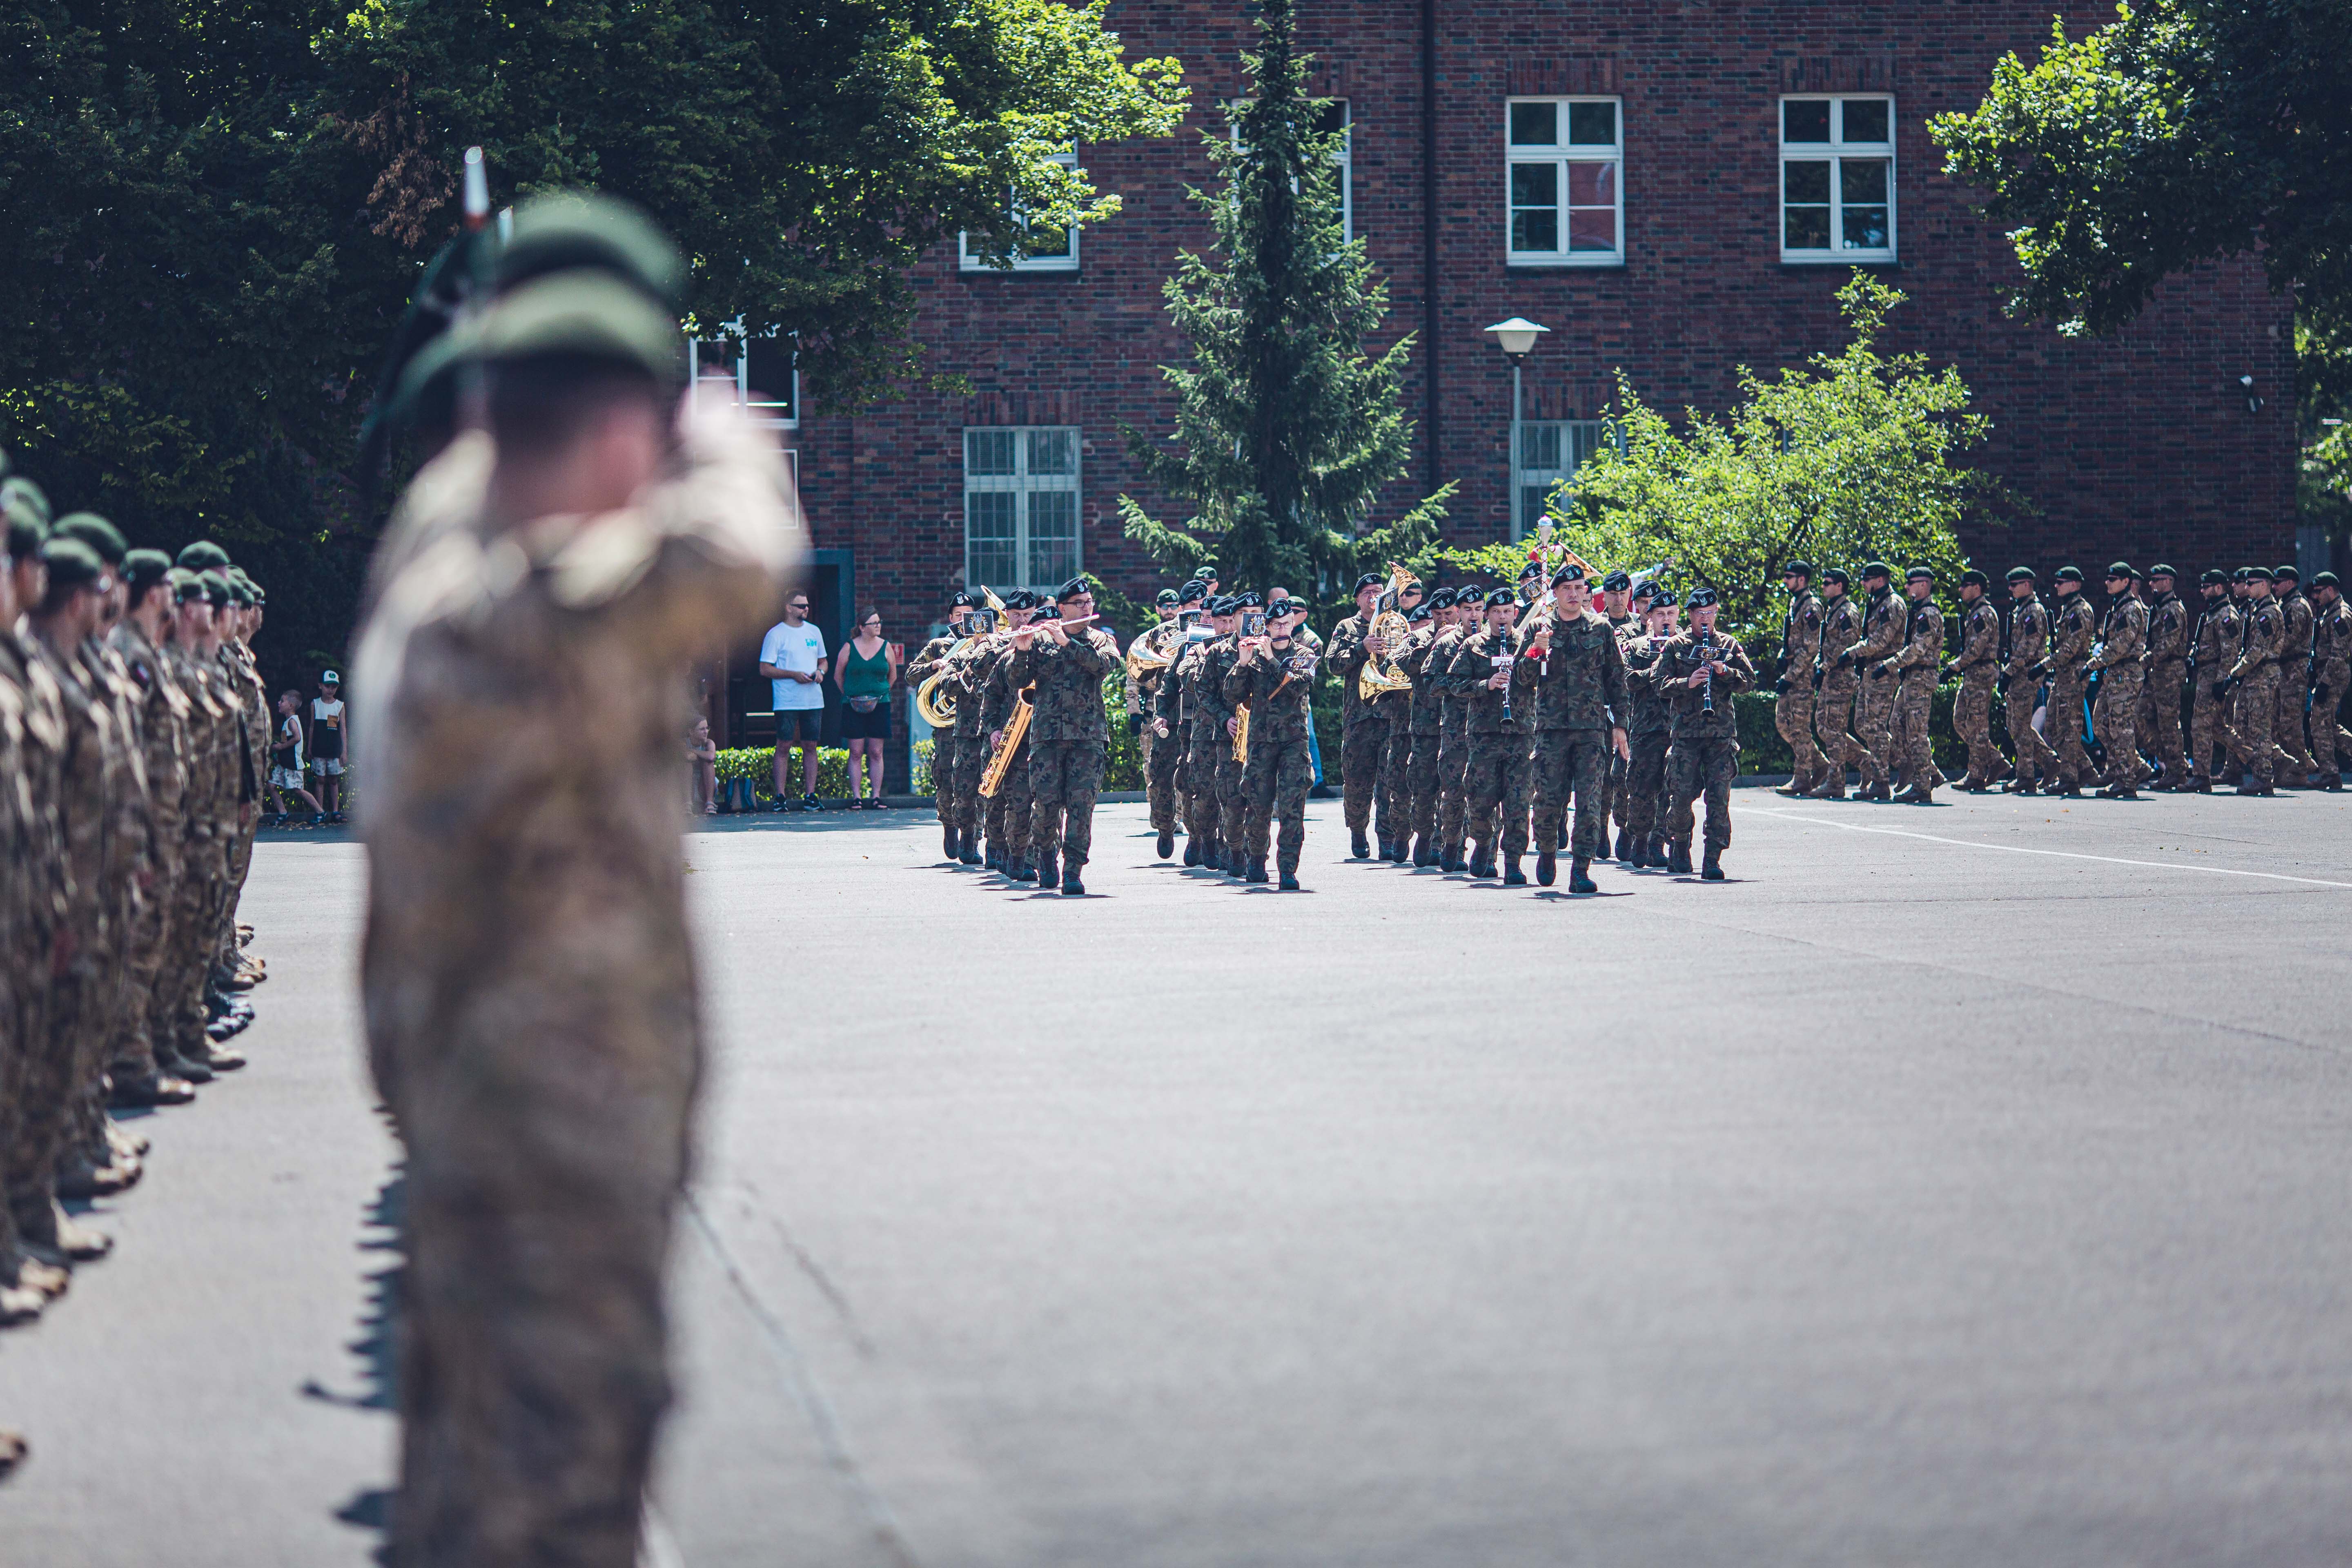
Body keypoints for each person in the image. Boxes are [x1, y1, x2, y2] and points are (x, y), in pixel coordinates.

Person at [354, 251, 799, 1568]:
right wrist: (725, 431)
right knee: (551, 1520)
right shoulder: (516, 626)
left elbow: (476, 476)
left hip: (490, 1138)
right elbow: (745, 553)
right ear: (619, 437)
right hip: (543, 1167)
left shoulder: (440, 568)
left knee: (469, 1510)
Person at [1511, 563, 1630, 892]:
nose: (1574, 594)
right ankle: (1547, 851)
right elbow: (1520, 683)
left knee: (1590, 803)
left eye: (1579, 588)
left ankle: (1581, 869)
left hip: (1591, 732)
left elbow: (1616, 680)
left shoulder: (1601, 629)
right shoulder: (1539, 628)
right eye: (1567, 589)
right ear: (1556, 594)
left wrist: (1620, 726)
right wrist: (1536, 650)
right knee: (1548, 802)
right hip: (1550, 732)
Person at [1004, 578, 1120, 894]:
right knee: (1046, 807)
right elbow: (1016, 680)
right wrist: (1023, 651)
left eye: (1089, 602)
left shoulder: (1099, 639)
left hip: (1088, 738)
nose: (1087, 608)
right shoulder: (1040, 640)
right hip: (1047, 738)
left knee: (1082, 808)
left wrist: (1068, 643)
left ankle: (1073, 871)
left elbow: (1103, 667)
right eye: (1080, 603)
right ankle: (1044, 856)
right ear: (1062, 608)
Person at [1650, 586, 1756, 879]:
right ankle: (1680, 844)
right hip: (1685, 736)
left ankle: (1713, 858)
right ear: (1691, 615)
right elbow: (1658, 684)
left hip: (1720, 737)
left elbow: (1749, 682)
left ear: (1717, 612)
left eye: (1710, 613)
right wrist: (1688, 683)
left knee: (1719, 798)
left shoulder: (1728, 644)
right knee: (1681, 797)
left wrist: (1725, 672)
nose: (1705, 619)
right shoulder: (1675, 646)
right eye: (1699, 614)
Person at [1224, 596, 1316, 888]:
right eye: (1275, 625)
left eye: (1286, 624)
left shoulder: (1303, 653)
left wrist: (1273, 661)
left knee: (1292, 807)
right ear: (1267, 626)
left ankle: (1288, 870)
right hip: (1261, 742)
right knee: (1258, 805)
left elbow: (1298, 687)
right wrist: (1242, 663)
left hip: (1293, 742)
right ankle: (1256, 859)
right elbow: (1231, 695)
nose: (1281, 629)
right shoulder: (1254, 656)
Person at [1444, 587, 1533, 882]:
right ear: (1488, 615)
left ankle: (1514, 863)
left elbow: (1545, 679)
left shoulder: (1527, 645)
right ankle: (1483, 842)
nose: (1502, 617)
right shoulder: (1474, 645)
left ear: (1515, 614)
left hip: (1520, 734)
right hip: (1484, 736)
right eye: (1496, 612)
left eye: (1508, 612)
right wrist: (1486, 685)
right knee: (1481, 801)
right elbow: (1455, 684)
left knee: (1519, 803)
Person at [1325, 571, 1394, 860]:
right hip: (1359, 715)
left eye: (1378, 591)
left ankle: (1388, 838)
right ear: (1358, 598)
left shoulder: (1393, 624)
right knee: (1357, 780)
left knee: (1390, 781)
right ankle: (1358, 831)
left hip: (1390, 713)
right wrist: (1361, 648)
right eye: (1367, 592)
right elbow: (1332, 663)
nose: (1373, 597)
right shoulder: (1347, 626)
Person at [903, 591, 976, 856]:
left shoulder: (984, 645)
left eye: (968, 615)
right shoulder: (938, 646)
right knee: (946, 780)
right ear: (950, 618)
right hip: (947, 726)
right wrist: (933, 666)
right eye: (958, 615)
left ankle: (972, 839)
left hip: (976, 723)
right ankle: (949, 826)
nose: (963, 620)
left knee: (976, 783)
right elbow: (911, 675)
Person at [1618, 592, 1678, 862]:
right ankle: (1640, 837)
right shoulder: (1635, 647)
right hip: (1644, 727)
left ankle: (1659, 843)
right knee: (1641, 789)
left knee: (1672, 788)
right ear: (1649, 618)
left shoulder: (1685, 645)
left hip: (1678, 727)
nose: (1666, 620)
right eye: (1660, 615)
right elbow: (1628, 679)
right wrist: (1657, 670)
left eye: (1671, 614)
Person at [1883, 566, 1945, 803]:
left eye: (1911, 583)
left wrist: (1890, 664)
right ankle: (1931, 773)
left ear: (1924, 585)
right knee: (1897, 724)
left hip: (1921, 677)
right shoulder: (1918, 611)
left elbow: (1917, 649)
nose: (1907, 587)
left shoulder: (1928, 614)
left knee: (1917, 733)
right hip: (1911, 678)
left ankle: (1923, 787)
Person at [759, 589, 826, 809]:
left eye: (807, 606)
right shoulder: (776, 634)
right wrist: (793, 675)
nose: (806, 609)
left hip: (813, 699)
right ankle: (780, 796)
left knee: (811, 746)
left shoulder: (814, 632)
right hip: (787, 700)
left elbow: (824, 661)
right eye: (801, 606)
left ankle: (811, 795)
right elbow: (765, 669)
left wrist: (820, 673)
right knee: (784, 745)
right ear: (789, 608)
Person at [1845, 562, 1906, 800]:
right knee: (1862, 724)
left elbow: (1880, 641)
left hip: (1884, 670)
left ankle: (1882, 781)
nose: (1863, 583)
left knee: (1875, 726)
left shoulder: (1892, 604)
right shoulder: (1876, 603)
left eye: (1866, 579)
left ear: (1880, 580)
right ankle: (1906, 764)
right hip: (1871, 669)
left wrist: (1852, 652)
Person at [2087, 563, 2149, 797]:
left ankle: (2127, 781)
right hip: (2113, 674)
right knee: (2101, 724)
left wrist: (2092, 664)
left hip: (2125, 673)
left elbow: (2120, 645)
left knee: (2121, 729)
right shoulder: (2118, 607)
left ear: (2126, 582)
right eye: (2107, 578)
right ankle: (2136, 767)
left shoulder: (2131, 609)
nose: (2107, 583)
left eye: (2113, 579)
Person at [831, 605, 898, 808]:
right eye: (874, 623)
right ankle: (857, 797)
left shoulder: (886, 646)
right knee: (856, 751)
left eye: (879, 622)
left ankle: (876, 796)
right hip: (853, 705)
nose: (878, 626)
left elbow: (892, 676)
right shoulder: (849, 648)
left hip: (880, 704)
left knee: (877, 752)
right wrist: (852, 696)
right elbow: (838, 676)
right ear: (862, 627)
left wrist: (878, 694)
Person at [2224, 566, 2283, 794]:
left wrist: (2234, 673)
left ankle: (2264, 777)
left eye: (2251, 583)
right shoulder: (2257, 609)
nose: (2246, 587)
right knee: (2242, 727)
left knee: (2259, 728)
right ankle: (2267, 767)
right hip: (2253, 676)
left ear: (2264, 585)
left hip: (2263, 675)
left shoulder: (2268, 613)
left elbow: (2258, 650)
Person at [1808, 567, 1864, 799]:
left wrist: (1824, 667)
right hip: (1831, 677)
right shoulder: (1834, 610)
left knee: (1834, 729)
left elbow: (1847, 644)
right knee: (1824, 726)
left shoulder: (1848, 612)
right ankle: (1865, 760)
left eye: (1828, 583)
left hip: (1841, 676)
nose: (1823, 587)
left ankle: (1836, 781)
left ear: (1840, 586)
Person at [1948, 569, 2007, 790]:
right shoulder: (1974, 612)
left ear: (1977, 588)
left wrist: (1955, 666)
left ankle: (1977, 775)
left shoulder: (1983, 613)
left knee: (1977, 725)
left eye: (1965, 585)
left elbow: (1977, 648)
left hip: (1980, 673)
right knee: (1960, 721)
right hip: (1972, 673)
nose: (1961, 590)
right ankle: (1996, 760)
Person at [1773, 561, 1827, 797]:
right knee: (1784, 724)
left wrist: (1791, 675)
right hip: (1792, 674)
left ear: (1802, 579)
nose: (1785, 581)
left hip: (1802, 678)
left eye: (1789, 576)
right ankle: (1821, 764)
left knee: (1799, 728)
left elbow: (1811, 647)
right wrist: (1781, 657)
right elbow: (1793, 641)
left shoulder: (1812, 606)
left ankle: (1802, 778)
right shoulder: (1795, 603)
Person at [2136, 565, 2191, 789]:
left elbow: (2168, 642)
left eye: (2156, 580)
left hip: (2169, 670)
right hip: (2156, 672)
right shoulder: (2158, 608)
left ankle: (2176, 771)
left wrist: (2145, 659)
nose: (2151, 584)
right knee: (2140, 716)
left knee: (2168, 723)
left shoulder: (2173, 610)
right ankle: (2174, 761)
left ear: (2168, 582)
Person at [2185, 568, 2238, 791]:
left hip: (2214, 676)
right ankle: (2255, 757)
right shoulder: (2212, 612)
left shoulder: (2226, 614)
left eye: (2206, 587)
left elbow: (2231, 651)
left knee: (2202, 726)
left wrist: (2221, 682)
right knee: (2215, 727)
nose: (2202, 591)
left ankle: (2201, 776)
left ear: (2219, 588)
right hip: (2205, 674)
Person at [2271, 564, 2316, 785]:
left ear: (2290, 583)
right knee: (2280, 723)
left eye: (2278, 582)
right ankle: (2293, 768)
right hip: (2284, 672)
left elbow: (2289, 639)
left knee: (2291, 724)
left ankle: (2300, 770)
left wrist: (2267, 650)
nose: (2274, 586)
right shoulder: (2285, 605)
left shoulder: (2297, 607)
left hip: (2294, 672)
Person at [2306, 572, 2351, 791]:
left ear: (2330, 590)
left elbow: (2338, 654)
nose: (2316, 596)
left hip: (2333, 673)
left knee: (2320, 723)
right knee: (2328, 725)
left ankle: (2330, 774)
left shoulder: (2340, 615)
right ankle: (2329, 773)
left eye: (2319, 591)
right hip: (2327, 672)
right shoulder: (2329, 613)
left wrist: (2324, 683)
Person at [269, 691, 326, 822]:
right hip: (284, 764)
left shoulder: (292, 722)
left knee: (299, 790)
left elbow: (297, 738)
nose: (279, 703)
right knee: (271, 786)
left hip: (293, 764)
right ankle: (283, 813)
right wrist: (279, 747)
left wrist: (281, 747)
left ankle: (320, 812)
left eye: (282, 701)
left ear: (291, 706)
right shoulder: (288, 722)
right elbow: (287, 741)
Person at [309, 670, 347, 822]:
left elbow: (343, 729)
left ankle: (336, 811)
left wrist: (344, 751)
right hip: (319, 749)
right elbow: (312, 727)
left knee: (333, 780)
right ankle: (320, 811)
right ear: (321, 686)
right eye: (328, 686)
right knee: (320, 780)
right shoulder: (315, 704)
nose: (331, 690)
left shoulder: (340, 706)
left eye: (334, 687)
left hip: (334, 749)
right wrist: (310, 747)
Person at [686, 716, 718, 815]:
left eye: (707, 728)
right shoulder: (684, 743)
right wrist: (701, 755)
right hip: (686, 786)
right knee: (686, 764)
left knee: (708, 763)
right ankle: (687, 805)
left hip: (703, 786)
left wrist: (694, 751)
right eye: (702, 729)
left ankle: (710, 803)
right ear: (691, 732)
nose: (706, 732)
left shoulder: (709, 743)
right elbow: (688, 757)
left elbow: (711, 756)